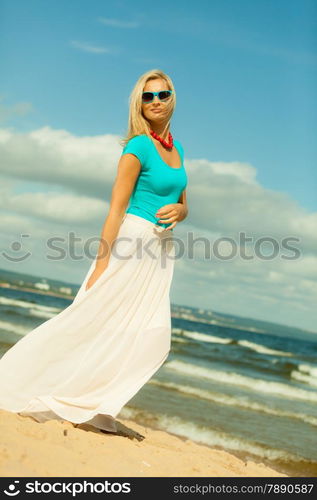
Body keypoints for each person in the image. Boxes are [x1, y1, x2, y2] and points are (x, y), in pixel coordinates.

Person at [0, 69, 188, 434]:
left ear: (172, 98)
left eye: (161, 95)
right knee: (88, 320)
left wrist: (182, 211)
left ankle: (97, 404)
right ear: (139, 104)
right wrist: (102, 264)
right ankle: (12, 381)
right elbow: (116, 209)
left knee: (148, 336)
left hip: (162, 252)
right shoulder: (137, 147)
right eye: (147, 97)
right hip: (132, 243)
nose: (155, 103)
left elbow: (183, 203)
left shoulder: (178, 149)